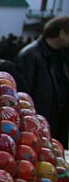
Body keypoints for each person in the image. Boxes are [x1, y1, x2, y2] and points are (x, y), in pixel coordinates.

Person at [15, 15, 69, 146]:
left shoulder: (63, 55)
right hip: (39, 123)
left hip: (58, 122)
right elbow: (23, 94)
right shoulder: (30, 55)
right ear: (62, 33)